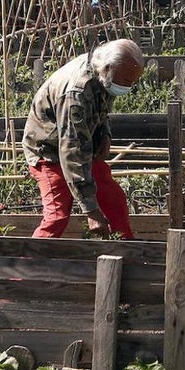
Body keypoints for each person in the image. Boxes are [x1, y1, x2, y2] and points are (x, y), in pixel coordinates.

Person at [22, 38, 144, 239]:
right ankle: (29, 258)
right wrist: (91, 211)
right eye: (125, 81)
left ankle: (126, 250)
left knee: (114, 200)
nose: (128, 86)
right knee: (57, 216)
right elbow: (72, 152)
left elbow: (102, 103)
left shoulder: (101, 70)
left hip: (80, 144)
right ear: (107, 69)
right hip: (48, 150)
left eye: (132, 82)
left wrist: (105, 134)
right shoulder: (76, 94)